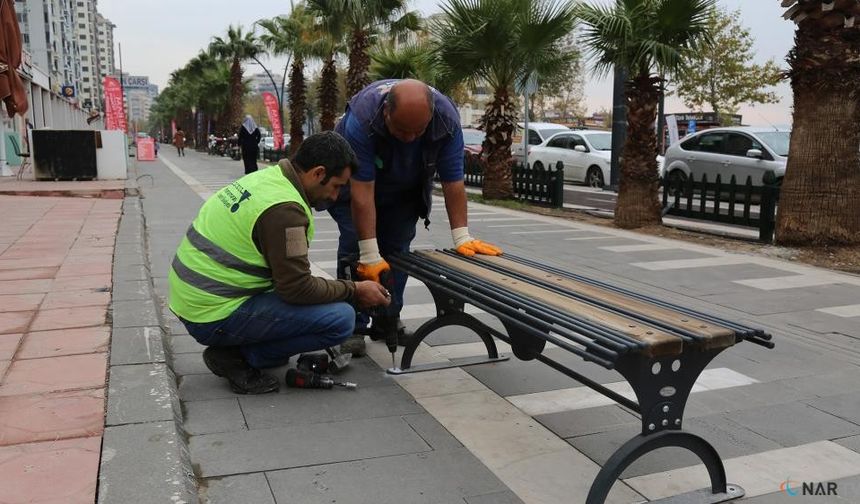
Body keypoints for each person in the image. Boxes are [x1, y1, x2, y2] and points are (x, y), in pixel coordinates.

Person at [168, 132, 390, 394]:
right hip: (212, 313)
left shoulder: (268, 179)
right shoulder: (285, 210)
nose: (335, 195)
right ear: (318, 173)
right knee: (340, 318)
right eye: (336, 185)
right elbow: (296, 288)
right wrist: (354, 291)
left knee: (325, 302)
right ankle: (240, 357)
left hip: (195, 299)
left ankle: (251, 349)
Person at [331, 79, 502, 356]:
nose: (410, 138)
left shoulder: (445, 120)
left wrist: (462, 235)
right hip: (356, 188)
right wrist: (370, 252)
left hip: (405, 190)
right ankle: (353, 326)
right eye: (401, 130)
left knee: (398, 251)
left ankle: (388, 319)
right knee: (355, 251)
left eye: (418, 131)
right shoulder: (362, 120)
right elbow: (362, 193)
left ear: (430, 117)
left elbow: (453, 182)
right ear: (386, 112)